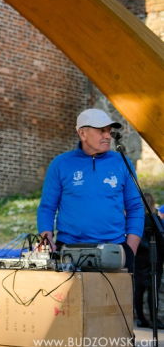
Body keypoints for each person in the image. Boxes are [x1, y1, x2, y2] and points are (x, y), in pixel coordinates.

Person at [37, 108, 144, 272]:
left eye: (109, 131)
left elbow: (135, 207)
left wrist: (130, 250)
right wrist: (47, 241)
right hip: (69, 250)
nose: (108, 136)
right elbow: (47, 207)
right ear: (82, 134)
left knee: (117, 298)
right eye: (101, 131)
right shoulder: (60, 164)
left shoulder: (122, 162)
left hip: (115, 248)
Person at [134, 192, 164, 328]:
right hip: (153, 257)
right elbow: (161, 240)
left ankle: (141, 319)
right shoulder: (154, 219)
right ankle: (154, 319)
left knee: (139, 290)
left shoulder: (135, 219)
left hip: (138, 258)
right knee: (153, 289)